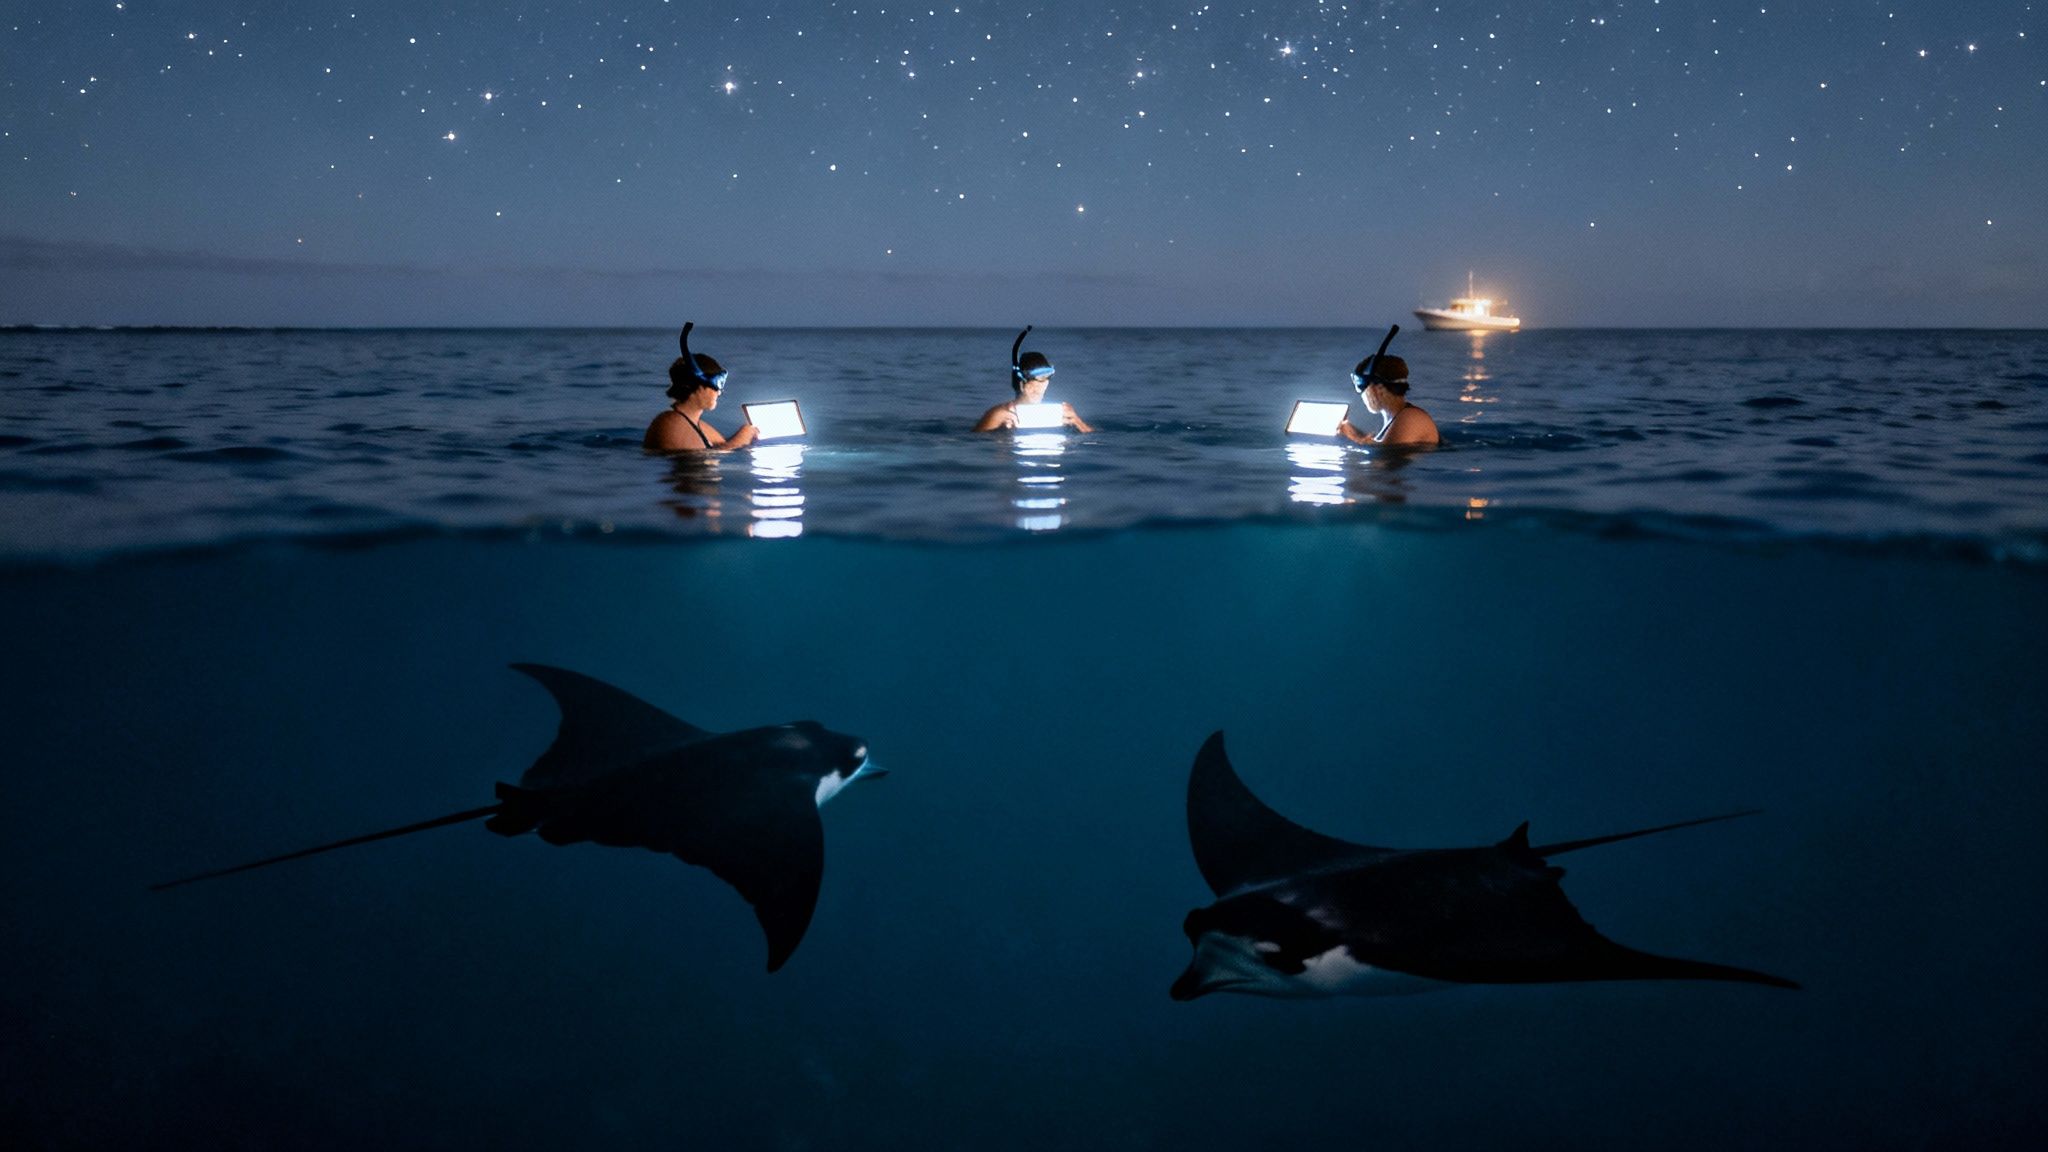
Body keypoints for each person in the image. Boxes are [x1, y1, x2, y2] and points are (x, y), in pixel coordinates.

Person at [644, 324, 760, 453]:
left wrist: (746, 436)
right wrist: (741, 439)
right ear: (696, 385)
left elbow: (723, 446)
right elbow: (700, 457)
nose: (719, 392)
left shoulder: (696, 425)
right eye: (717, 386)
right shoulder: (671, 424)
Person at [975, 327, 1096, 433]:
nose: (1038, 388)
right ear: (1021, 385)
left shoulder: (1059, 414)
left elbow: (1094, 441)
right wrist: (1003, 437)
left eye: (1043, 380)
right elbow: (976, 441)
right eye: (1032, 384)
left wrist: (1077, 422)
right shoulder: (1001, 414)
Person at [1338, 353, 1439, 447]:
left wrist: (1352, 439)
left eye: (1361, 387)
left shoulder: (1411, 417)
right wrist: (1353, 434)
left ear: (1379, 388)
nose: (1361, 394)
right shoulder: (1395, 421)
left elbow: (1387, 455)